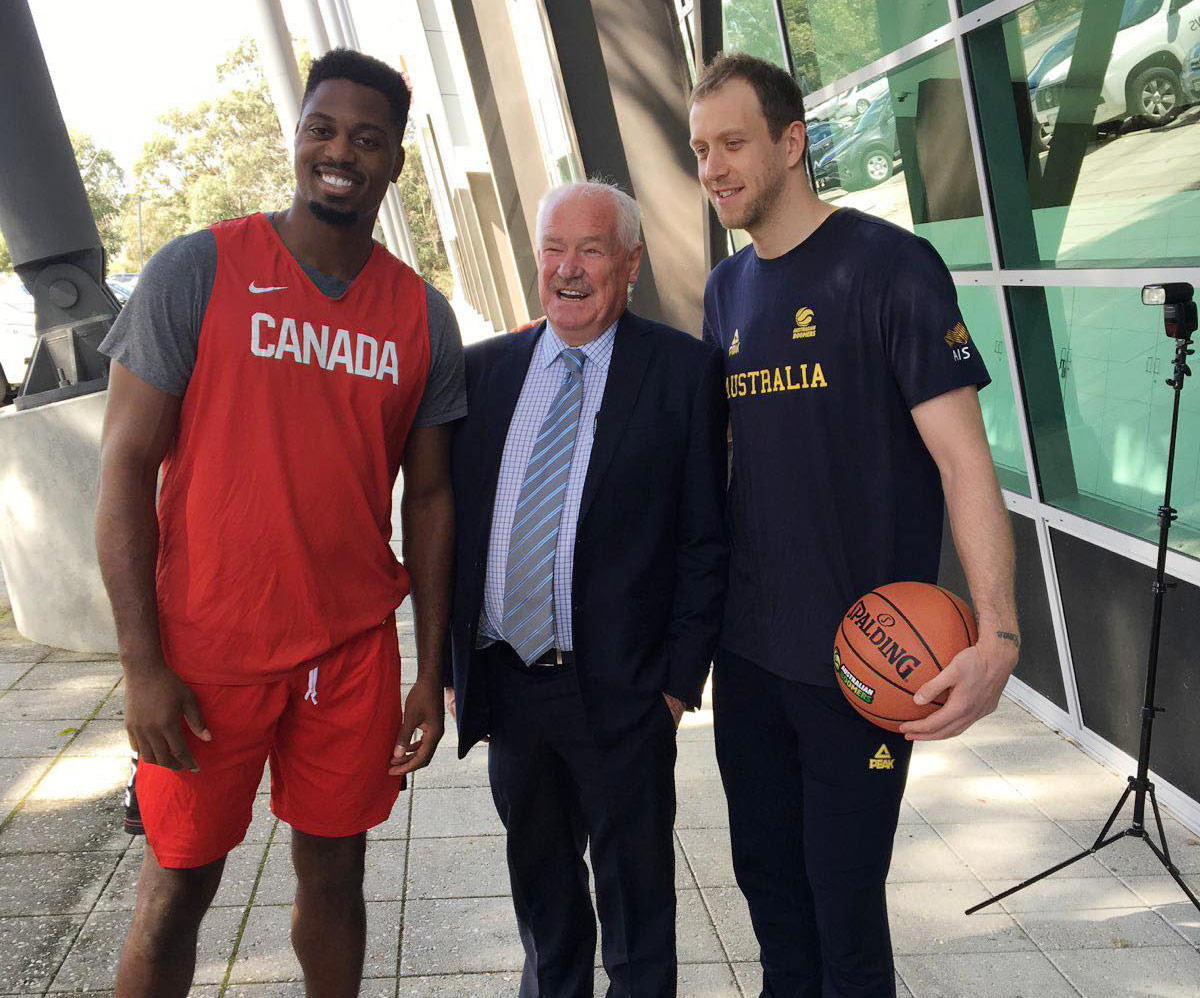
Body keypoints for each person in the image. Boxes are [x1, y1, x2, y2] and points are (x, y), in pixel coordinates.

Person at [95, 49, 463, 998]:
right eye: (322, 129)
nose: (340, 152)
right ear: (298, 139)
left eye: (367, 138)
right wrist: (140, 662)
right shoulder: (198, 267)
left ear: (395, 163)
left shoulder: (421, 317)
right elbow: (125, 471)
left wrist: (432, 669)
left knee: (337, 879)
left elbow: (429, 499)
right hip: (208, 647)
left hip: (347, 653)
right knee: (178, 887)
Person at [688, 53, 1020, 997]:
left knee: (847, 925)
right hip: (750, 658)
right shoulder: (725, 293)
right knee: (772, 906)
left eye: (734, 142)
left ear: (792, 142)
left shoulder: (890, 267)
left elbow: (964, 461)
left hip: (864, 659)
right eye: (701, 148)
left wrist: (997, 629)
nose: (713, 166)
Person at [445, 180, 727, 998]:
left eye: (592, 250)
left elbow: (706, 540)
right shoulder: (484, 372)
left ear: (630, 263)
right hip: (509, 682)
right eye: (553, 250)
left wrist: (675, 686)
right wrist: (455, 668)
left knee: (637, 906)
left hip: (623, 691)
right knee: (543, 894)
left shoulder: (683, 373)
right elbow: (453, 529)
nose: (569, 269)